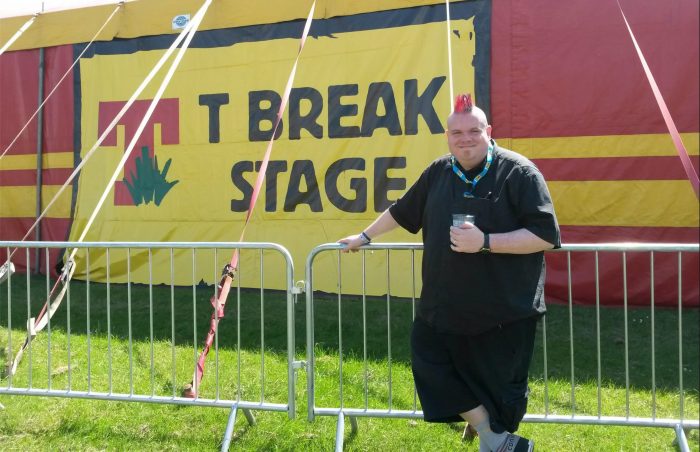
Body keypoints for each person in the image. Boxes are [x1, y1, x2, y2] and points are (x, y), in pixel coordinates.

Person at [339, 93, 560, 452]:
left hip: (503, 310)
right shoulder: (439, 171)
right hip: (443, 306)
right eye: (457, 132)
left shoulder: (519, 173)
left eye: (473, 130)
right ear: (447, 135)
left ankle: (495, 436)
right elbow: (402, 210)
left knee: (502, 390)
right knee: (431, 365)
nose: (465, 139)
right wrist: (365, 236)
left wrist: (485, 241)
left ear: (488, 131)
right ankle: (493, 437)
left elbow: (544, 236)